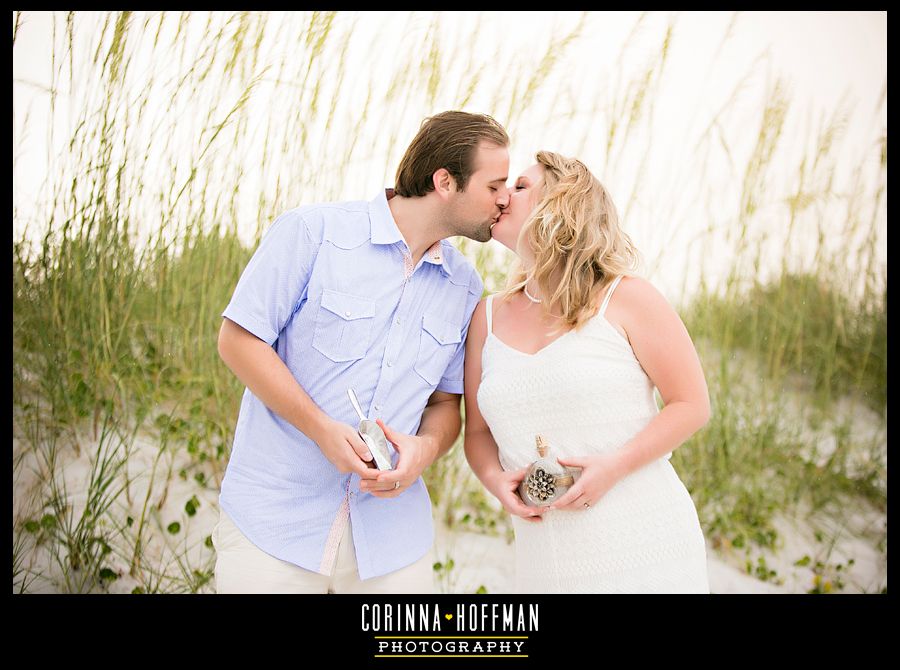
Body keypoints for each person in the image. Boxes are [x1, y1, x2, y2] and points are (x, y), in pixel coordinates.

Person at [213, 111, 511, 593]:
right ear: (444, 181)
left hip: (393, 543)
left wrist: (425, 449)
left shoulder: (464, 286)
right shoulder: (313, 232)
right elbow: (238, 340)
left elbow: (444, 405)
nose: (505, 199)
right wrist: (320, 429)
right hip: (274, 524)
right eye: (494, 185)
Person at [463, 151, 711, 593]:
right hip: (547, 562)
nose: (502, 196)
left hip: (647, 549)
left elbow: (691, 404)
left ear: (561, 206)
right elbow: (478, 435)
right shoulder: (487, 317)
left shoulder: (628, 298)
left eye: (520, 187)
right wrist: (494, 480)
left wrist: (615, 466)